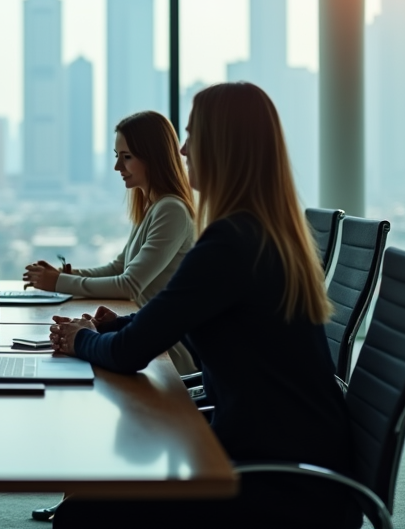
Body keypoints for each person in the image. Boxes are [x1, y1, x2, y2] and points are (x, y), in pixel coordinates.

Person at [48, 83, 361, 529]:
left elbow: (128, 354)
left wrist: (83, 341)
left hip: (279, 487)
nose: (182, 146)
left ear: (223, 147)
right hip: (298, 469)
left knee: (83, 515)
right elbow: (175, 316)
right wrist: (116, 325)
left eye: (193, 134)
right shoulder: (260, 232)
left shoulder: (230, 243)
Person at [23, 110, 197, 374]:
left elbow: (129, 285)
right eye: (117, 157)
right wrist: (64, 275)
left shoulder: (171, 210)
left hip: (162, 356)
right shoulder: (153, 206)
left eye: (126, 157)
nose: (118, 167)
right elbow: (119, 267)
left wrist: (58, 283)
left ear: (153, 156)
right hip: (143, 341)